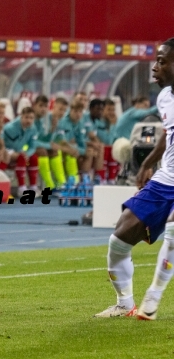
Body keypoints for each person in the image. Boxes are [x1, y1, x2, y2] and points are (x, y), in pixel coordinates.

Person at [94, 38, 174, 320]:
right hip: (166, 179)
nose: (155, 67)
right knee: (119, 238)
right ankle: (124, 304)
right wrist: (148, 164)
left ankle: (153, 297)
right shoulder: (164, 97)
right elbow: (168, 133)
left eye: (162, 61)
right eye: (156, 60)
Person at [3, 106, 39, 196]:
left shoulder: (33, 129)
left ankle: (33, 186)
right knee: (22, 157)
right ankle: (21, 188)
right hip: (6, 151)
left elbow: (32, 146)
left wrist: (27, 154)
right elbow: (1, 143)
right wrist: (11, 152)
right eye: (26, 117)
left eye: (31, 118)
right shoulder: (9, 128)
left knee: (34, 158)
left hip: (19, 152)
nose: (29, 121)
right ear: (21, 116)